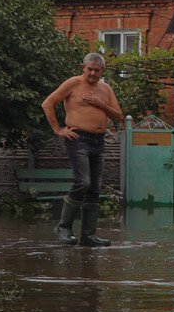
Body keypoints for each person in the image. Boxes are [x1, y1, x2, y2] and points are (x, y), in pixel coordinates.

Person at [41, 52, 124, 246]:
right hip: (78, 138)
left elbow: (119, 116)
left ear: (102, 70)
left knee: (94, 187)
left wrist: (100, 104)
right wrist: (58, 130)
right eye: (90, 69)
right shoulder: (73, 83)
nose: (93, 73)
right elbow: (47, 103)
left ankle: (88, 235)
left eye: (97, 70)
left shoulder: (106, 89)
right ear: (83, 68)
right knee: (83, 182)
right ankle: (63, 227)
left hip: (99, 141)